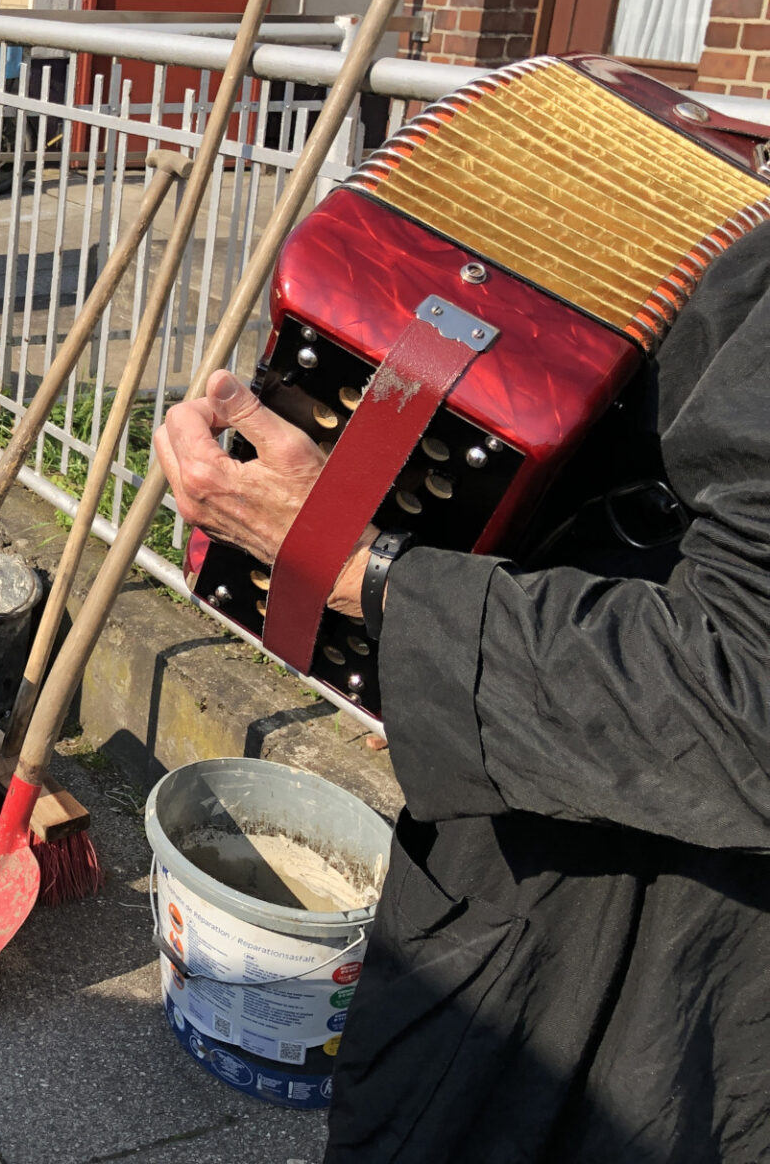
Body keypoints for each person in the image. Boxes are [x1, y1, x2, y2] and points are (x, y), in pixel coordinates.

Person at [153, 229, 770, 1160]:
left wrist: (356, 564)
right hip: (555, 800)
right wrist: (440, 674)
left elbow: (739, 695)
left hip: (646, 969)